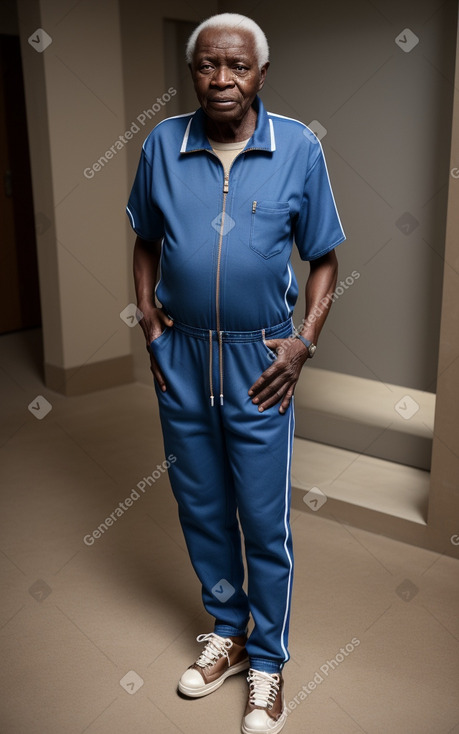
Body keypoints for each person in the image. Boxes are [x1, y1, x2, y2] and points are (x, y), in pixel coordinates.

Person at [127, 13, 345, 734]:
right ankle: (227, 626)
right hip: (182, 355)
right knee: (200, 505)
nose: (221, 80)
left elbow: (323, 259)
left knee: (261, 519)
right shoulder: (163, 143)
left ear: (260, 73)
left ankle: (269, 663)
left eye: (237, 67)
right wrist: (152, 328)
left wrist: (302, 342)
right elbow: (145, 241)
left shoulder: (297, 148)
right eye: (207, 66)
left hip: (259, 360)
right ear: (193, 72)